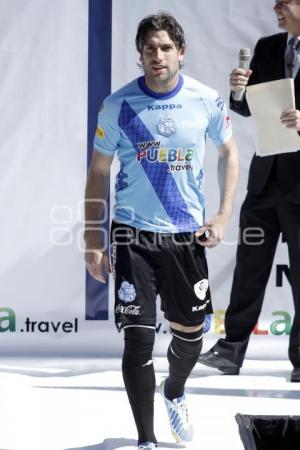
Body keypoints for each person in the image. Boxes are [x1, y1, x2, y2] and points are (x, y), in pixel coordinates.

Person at [84, 12, 239, 450]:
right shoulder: (117, 105)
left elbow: (230, 154)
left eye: (166, 47)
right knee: (137, 338)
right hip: (132, 233)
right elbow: (98, 173)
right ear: (140, 55)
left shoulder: (206, 100)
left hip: (186, 235)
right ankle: (146, 440)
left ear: (181, 53)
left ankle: (174, 389)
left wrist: (224, 215)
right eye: (150, 48)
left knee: (191, 336)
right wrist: (93, 240)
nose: (158, 55)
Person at [198, 0, 300, 383]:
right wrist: (238, 92)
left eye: (285, 2)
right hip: (265, 178)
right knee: (248, 268)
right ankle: (230, 349)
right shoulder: (269, 46)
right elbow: (247, 108)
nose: (276, 8)